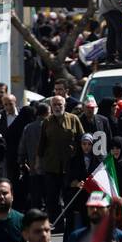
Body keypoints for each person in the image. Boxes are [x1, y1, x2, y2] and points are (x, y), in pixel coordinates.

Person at [37, 96, 83, 224]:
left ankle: (70, 222)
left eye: (60, 104)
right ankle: (56, 223)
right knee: (52, 198)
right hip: (52, 166)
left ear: (65, 105)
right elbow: (41, 144)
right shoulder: (47, 122)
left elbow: (82, 140)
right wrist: (38, 163)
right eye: (55, 105)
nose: (57, 107)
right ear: (51, 107)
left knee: (69, 196)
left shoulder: (74, 119)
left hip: (69, 166)